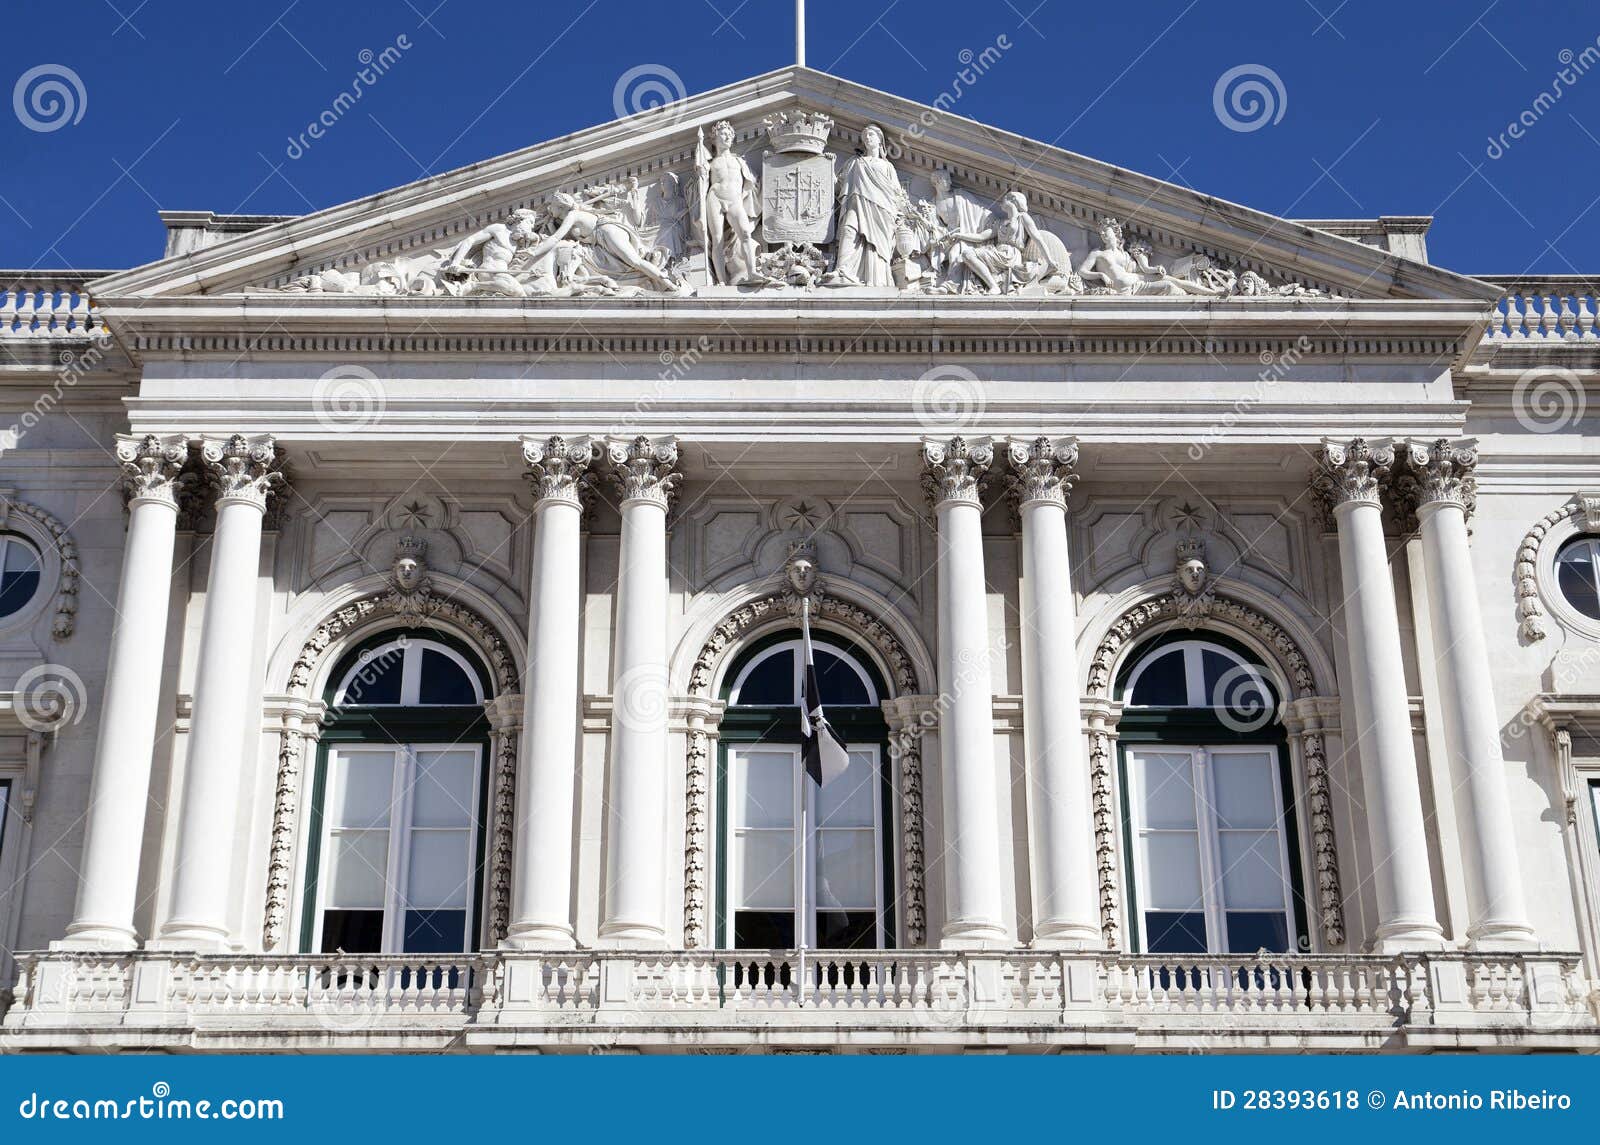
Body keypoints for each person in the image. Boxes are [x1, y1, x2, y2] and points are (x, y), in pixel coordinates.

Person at [824, 124, 905, 286]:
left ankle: (875, 277)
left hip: (881, 209)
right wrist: (828, 166)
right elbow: (839, 187)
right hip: (856, 204)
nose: (867, 138)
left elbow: (897, 193)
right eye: (865, 136)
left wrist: (899, 214)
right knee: (848, 230)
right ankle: (842, 270)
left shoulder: (887, 166)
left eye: (871, 135)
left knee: (876, 244)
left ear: (880, 140)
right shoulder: (855, 162)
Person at [696, 121, 764, 285]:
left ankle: (752, 272)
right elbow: (703, 182)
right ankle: (721, 281)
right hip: (715, 197)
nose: (727, 137)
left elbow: (752, 183)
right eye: (723, 134)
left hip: (734, 199)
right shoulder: (710, 163)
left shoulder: (739, 161)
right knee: (717, 239)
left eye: (729, 134)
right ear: (714, 138)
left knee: (745, 233)